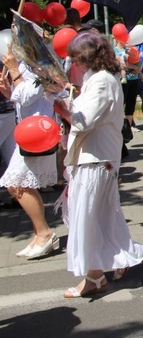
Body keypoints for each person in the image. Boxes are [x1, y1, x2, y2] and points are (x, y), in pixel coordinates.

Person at [53, 32, 143, 298]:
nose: (74, 64)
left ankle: (94, 276)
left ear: (88, 57)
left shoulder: (102, 81)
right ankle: (115, 262)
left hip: (97, 159)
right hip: (95, 157)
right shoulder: (97, 79)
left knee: (89, 218)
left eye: (76, 58)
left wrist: (62, 109)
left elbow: (84, 121)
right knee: (100, 216)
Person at [0, 53, 59, 259]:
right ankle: (39, 233)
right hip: (29, 132)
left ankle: (44, 232)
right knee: (22, 183)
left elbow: (28, 94)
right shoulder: (29, 64)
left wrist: (15, 71)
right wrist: (9, 92)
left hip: (38, 132)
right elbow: (24, 100)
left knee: (16, 183)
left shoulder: (39, 64)